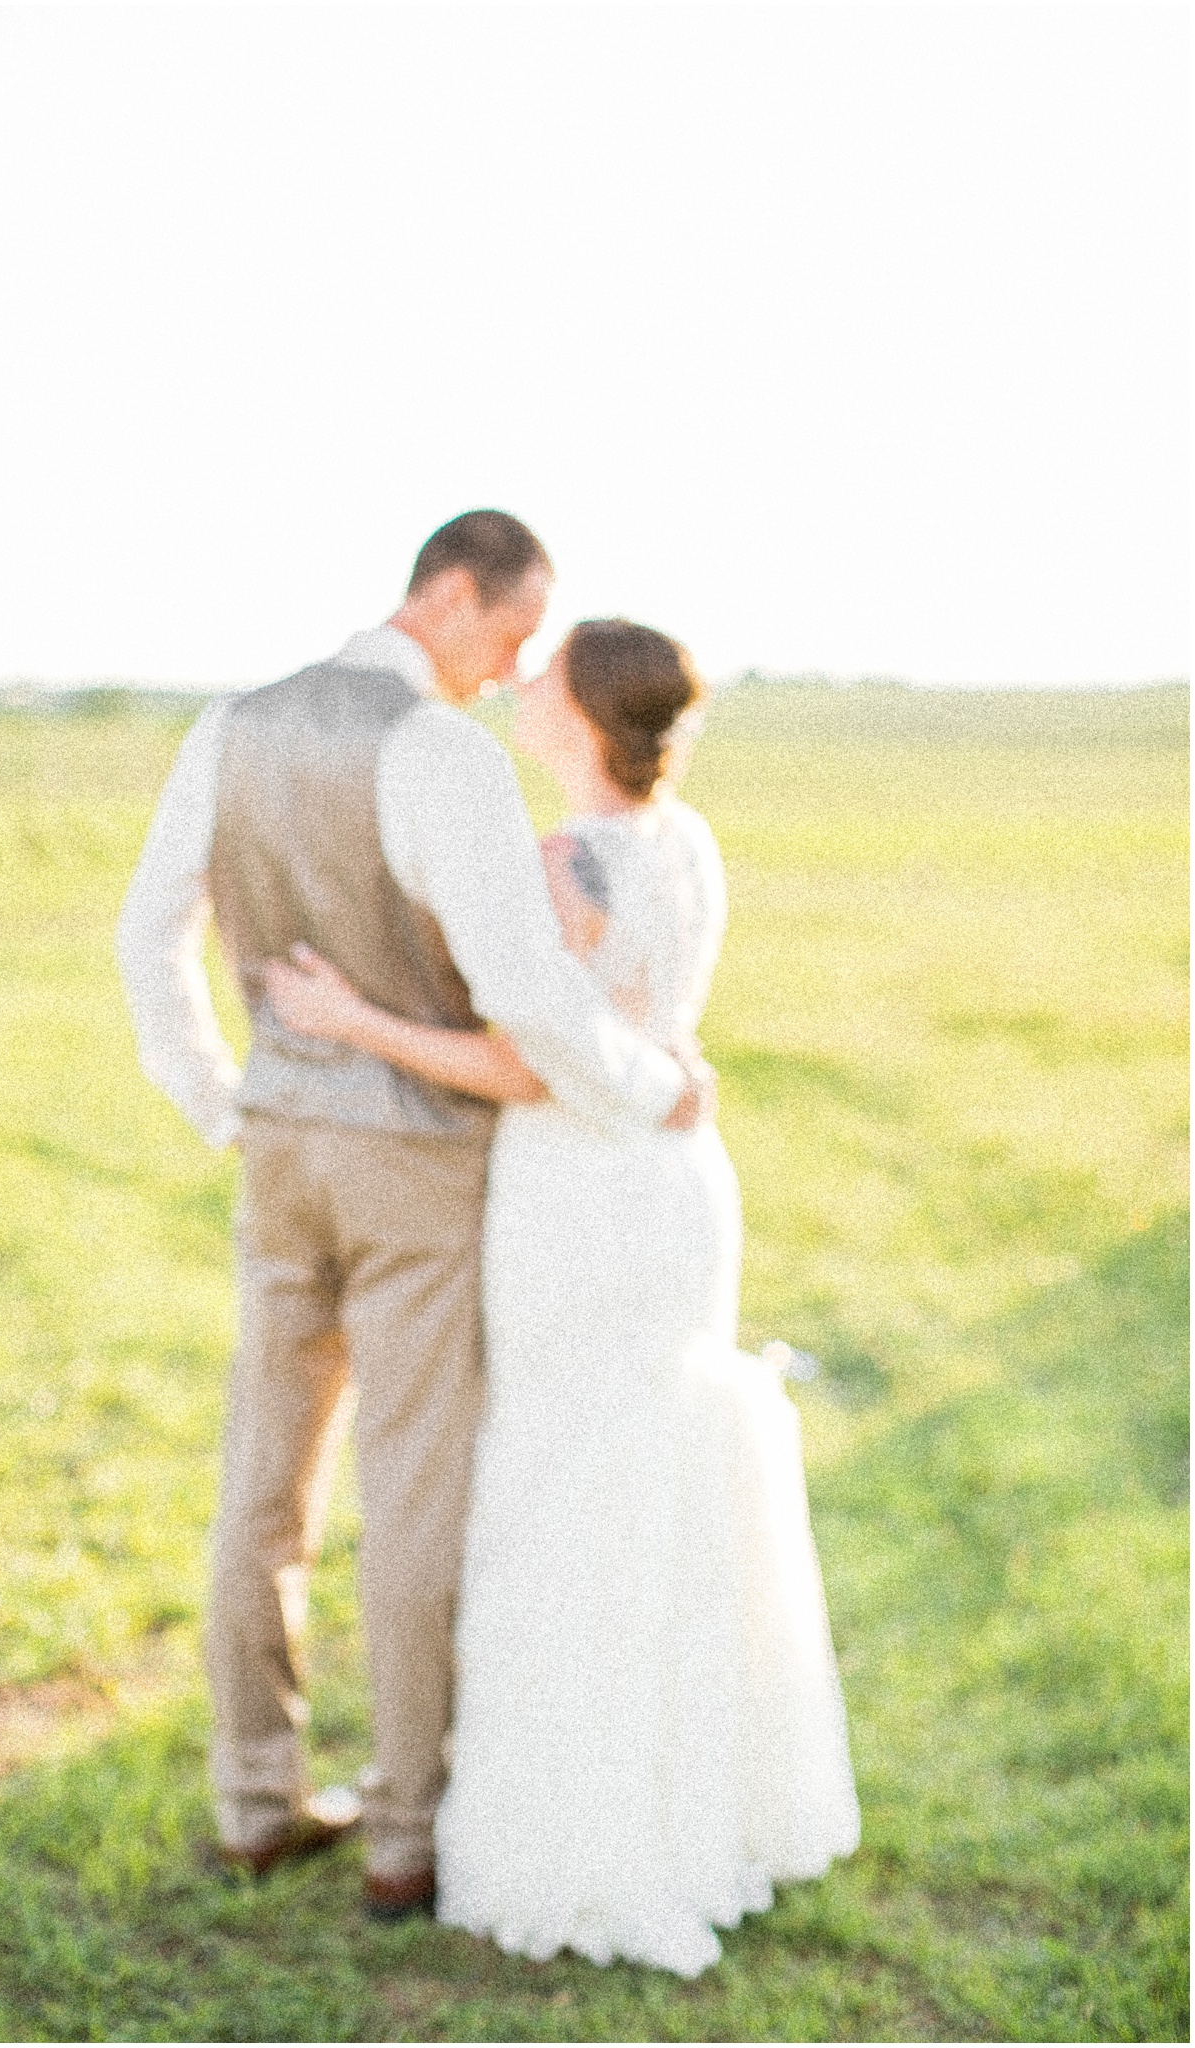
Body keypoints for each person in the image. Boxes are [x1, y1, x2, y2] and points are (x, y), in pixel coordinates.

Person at [116, 515, 708, 1919]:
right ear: (450, 592)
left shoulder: (231, 723)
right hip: (416, 1169)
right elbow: (525, 988)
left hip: (279, 1147)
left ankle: (255, 1800)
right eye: (510, 635)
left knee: (263, 1478)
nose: (510, 670)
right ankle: (400, 1831)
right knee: (415, 1486)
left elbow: (151, 933)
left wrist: (221, 1099)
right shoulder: (436, 752)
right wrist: (644, 1084)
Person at [264, 617, 861, 1975]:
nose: (522, 685)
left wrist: (347, 1019)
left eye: (545, 675)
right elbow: (652, 1029)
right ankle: (689, 1808)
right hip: (679, 1181)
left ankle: (584, 1838)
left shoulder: (559, 859)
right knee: (644, 1482)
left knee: (559, 1490)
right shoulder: (687, 840)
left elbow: (526, 1062)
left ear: (581, 712)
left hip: (585, 1194)